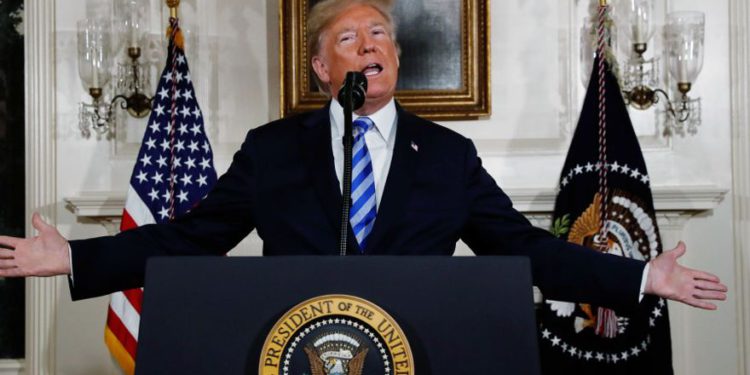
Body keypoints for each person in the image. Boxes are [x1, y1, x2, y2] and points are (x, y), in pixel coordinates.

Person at [0, 0, 726, 310]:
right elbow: (195, 236)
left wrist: (638, 278)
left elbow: (524, 249)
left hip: (420, 348)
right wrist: (76, 258)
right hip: (297, 346)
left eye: (379, 35)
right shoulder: (273, 150)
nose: (368, 46)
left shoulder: (447, 155)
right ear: (321, 68)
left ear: (397, 57)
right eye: (348, 39)